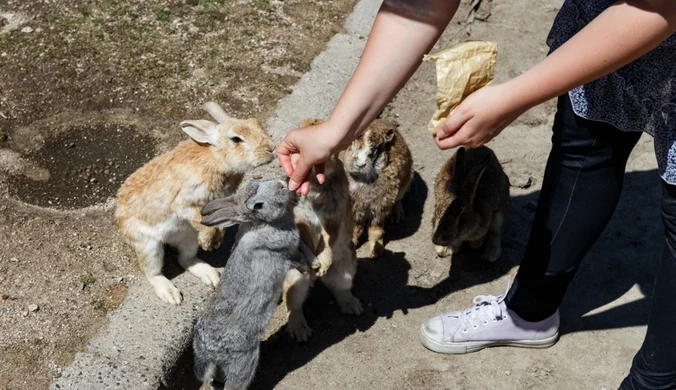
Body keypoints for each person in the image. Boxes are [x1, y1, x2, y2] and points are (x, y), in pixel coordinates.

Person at [276, 0, 676, 388]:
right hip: (603, 27)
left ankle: (655, 379)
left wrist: (515, 97)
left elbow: (657, 7)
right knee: (586, 148)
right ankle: (530, 312)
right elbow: (417, 6)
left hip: (654, 21)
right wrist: (336, 130)